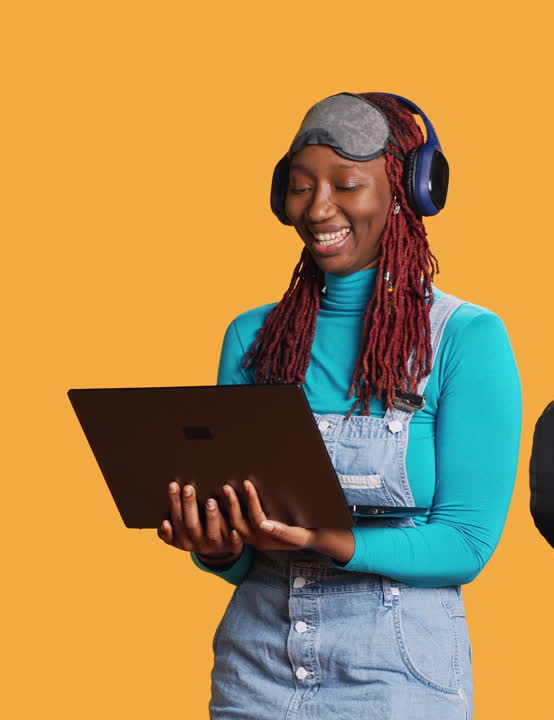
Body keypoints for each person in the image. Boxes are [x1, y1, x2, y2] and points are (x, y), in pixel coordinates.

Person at [156, 92, 521, 719]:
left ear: (410, 189)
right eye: (301, 187)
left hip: (396, 677)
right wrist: (216, 547)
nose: (319, 208)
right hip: (257, 669)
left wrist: (325, 538)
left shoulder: (467, 339)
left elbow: (467, 543)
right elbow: (241, 559)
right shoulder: (252, 338)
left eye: (346, 185)